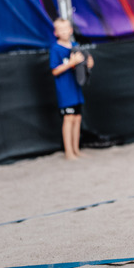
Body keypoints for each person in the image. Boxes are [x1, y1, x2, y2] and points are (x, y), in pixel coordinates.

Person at [49, 18, 93, 161]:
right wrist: (71, 63)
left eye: (66, 28)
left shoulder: (75, 46)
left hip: (76, 89)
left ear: (70, 30)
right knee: (68, 119)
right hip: (65, 91)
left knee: (77, 118)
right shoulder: (55, 49)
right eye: (60, 29)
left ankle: (76, 150)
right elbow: (55, 71)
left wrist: (89, 63)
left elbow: (85, 64)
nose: (64, 32)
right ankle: (69, 152)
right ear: (56, 33)